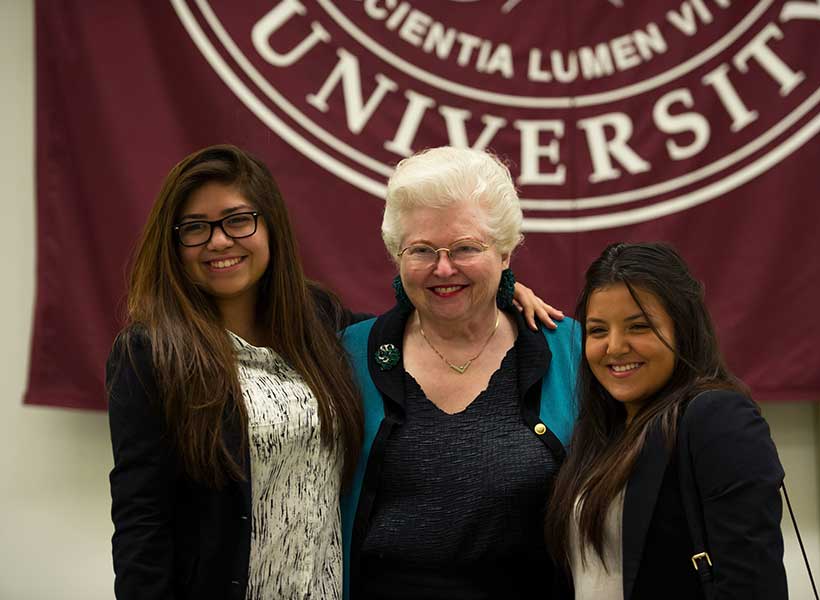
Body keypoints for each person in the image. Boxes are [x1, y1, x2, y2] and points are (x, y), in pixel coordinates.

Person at [107, 144, 560, 600]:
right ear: (173, 242)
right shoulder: (151, 354)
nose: (219, 240)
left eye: (237, 220)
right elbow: (141, 519)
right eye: (195, 228)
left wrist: (496, 282)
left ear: (270, 227)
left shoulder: (317, 323)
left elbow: (426, 303)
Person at [340, 146, 581, 599]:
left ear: (505, 252)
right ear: (396, 255)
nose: (443, 268)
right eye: (422, 250)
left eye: (467, 248)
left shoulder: (571, 350)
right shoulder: (347, 354)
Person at [545, 242, 787, 599]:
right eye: (597, 331)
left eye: (638, 326)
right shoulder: (597, 431)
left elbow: (752, 584)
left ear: (682, 328)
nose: (614, 346)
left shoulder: (718, 419)